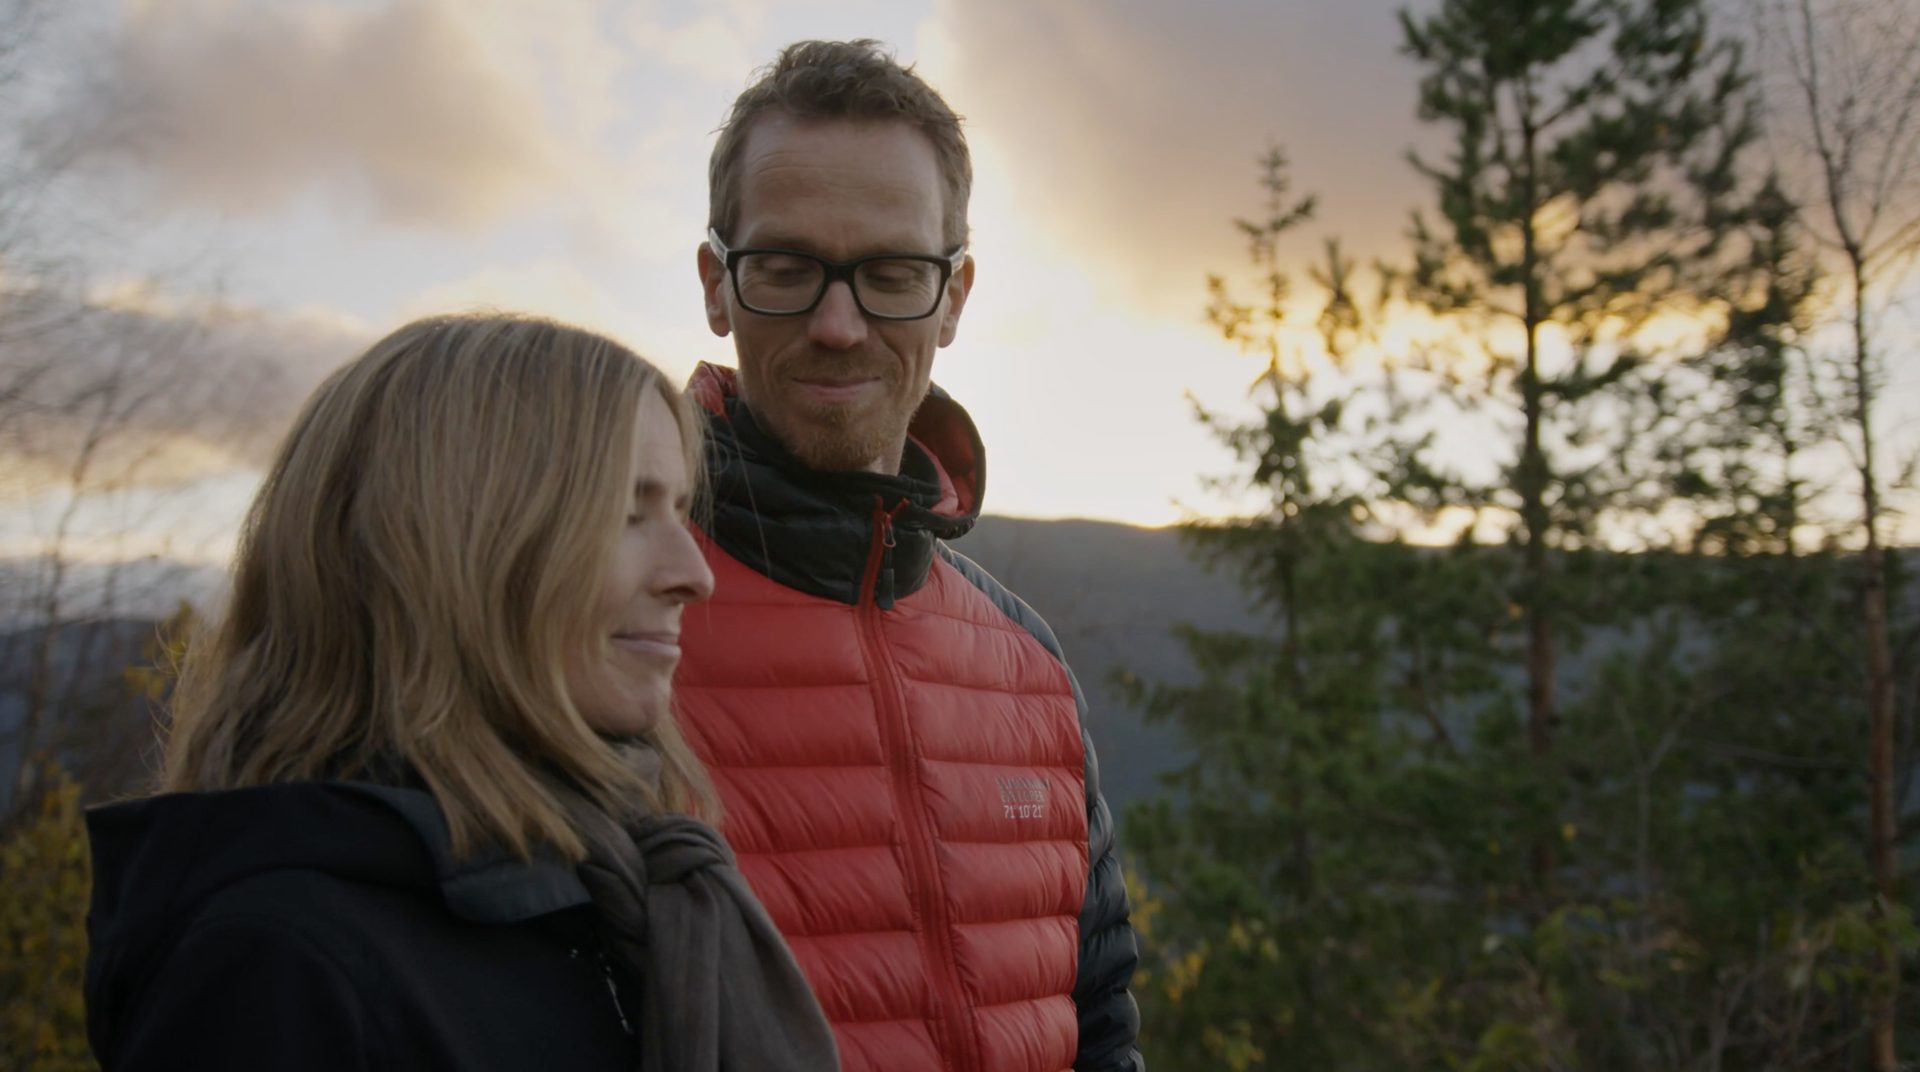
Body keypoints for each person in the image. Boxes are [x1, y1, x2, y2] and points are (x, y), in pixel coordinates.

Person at [82, 314, 839, 1071]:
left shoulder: (608, 896)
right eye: (623, 512)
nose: (694, 575)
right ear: (452, 551)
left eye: (678, 510)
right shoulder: (278, 974)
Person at [680, 39, 1143, 1072]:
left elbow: (1100, 1015)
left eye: (889, 273)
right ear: (718, 283)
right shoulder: (599, 629)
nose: (838, 325)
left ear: (955, 295)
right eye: (787, 267)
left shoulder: (1027, 664)